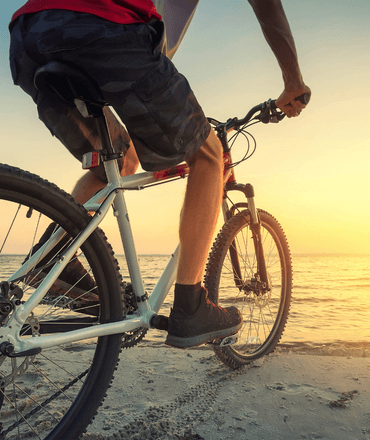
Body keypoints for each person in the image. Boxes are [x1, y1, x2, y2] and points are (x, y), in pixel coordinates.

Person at [9, 0, 311, 348]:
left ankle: (49, 257)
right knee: (209, 155)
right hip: (104, 28)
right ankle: (190, 306)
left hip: (29, 36)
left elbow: (160, 49)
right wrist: (293, 82)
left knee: (118, 161)